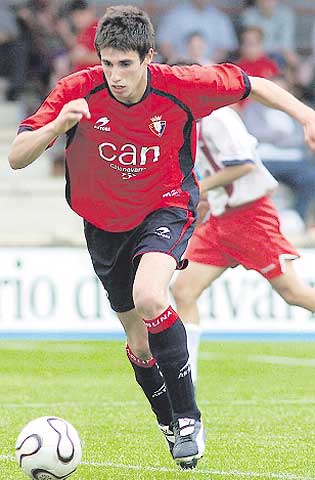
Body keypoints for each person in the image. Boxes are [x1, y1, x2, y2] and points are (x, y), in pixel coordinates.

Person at [7, 4, 315, 470]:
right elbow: (16, 157)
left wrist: (305, 116)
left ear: (148, 57)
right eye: (107, 63)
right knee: (139, 343)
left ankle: (189, 418)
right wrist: (55, 126)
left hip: (166, 207)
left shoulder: (183, 85)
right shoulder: (77, 91)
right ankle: (170, 423)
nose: (115, 76)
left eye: (126, 64)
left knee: (151, 295)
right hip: (103, 225)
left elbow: (257, 85)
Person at [171, 104, 315, 387]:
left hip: (251, 216)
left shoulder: (219, 117)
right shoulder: (189, 121)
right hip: (221, 220)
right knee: (183, 290)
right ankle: (186, 381)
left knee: (294, 293)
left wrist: (199, 188)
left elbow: (245, 163)